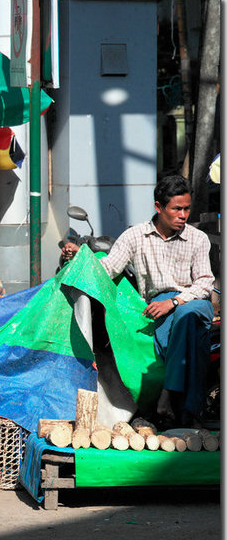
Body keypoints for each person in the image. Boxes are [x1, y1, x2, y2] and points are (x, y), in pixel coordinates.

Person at [61, 175, 214, 428]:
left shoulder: (198, 239)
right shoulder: (134, 236)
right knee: (190, 334)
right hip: (158, 307)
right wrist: (81, 258)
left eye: (187, 209)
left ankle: (167, 393)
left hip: (194, 302)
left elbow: (204, 283)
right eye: (177, 209)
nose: (183, 215)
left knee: (189, 316)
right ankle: (189, 412)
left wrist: (175, 302)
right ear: (158, 207)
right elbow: (107, 268)